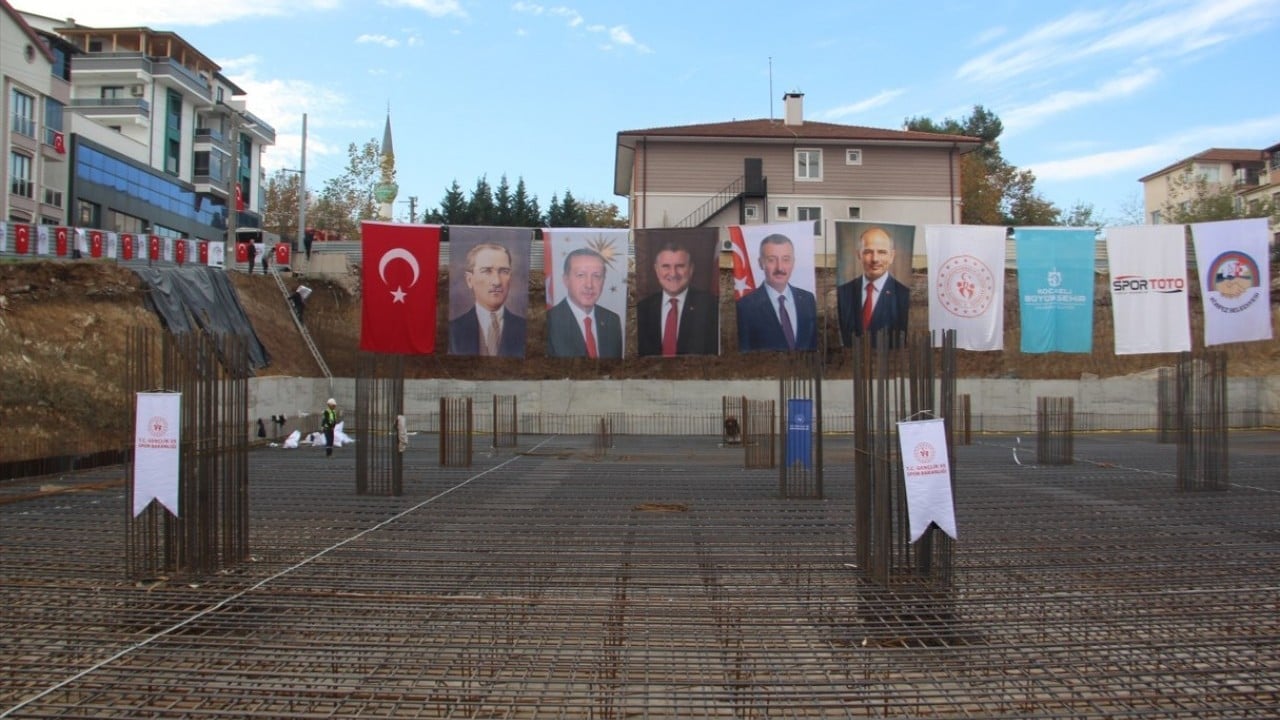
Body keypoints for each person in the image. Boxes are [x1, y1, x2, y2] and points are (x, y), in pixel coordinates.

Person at [736, 233, 817, 352]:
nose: (780, 268)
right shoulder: (745, 306)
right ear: (760, 263)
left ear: (793, 262)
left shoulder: (807, 299)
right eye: (771, 260)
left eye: (786, 259)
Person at [636, 241, 718, 356]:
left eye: (680, 266)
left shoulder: (712, 307)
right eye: (666, 266)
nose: (673, 273)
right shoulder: (642, 309)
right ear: (656, 269)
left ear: (691, 269)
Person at [449, 242, 527, 357]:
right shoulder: (453, 330)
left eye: (504, 271)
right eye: (486, 271)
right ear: (469, 280)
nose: (497, 281)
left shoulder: (525, 328)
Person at [837, 225, 911, 346]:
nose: (875, 259)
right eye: (868, 252)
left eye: (882, 252)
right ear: (859, 255)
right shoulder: (842, 293)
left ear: (892, 256)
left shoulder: (904, 296)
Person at [546, 247, 623, 358]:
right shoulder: (549, 321)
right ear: (566, 280)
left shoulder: (612, 320)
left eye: (596, 276)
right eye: (581, 275)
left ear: (603, 281)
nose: (589, 285)